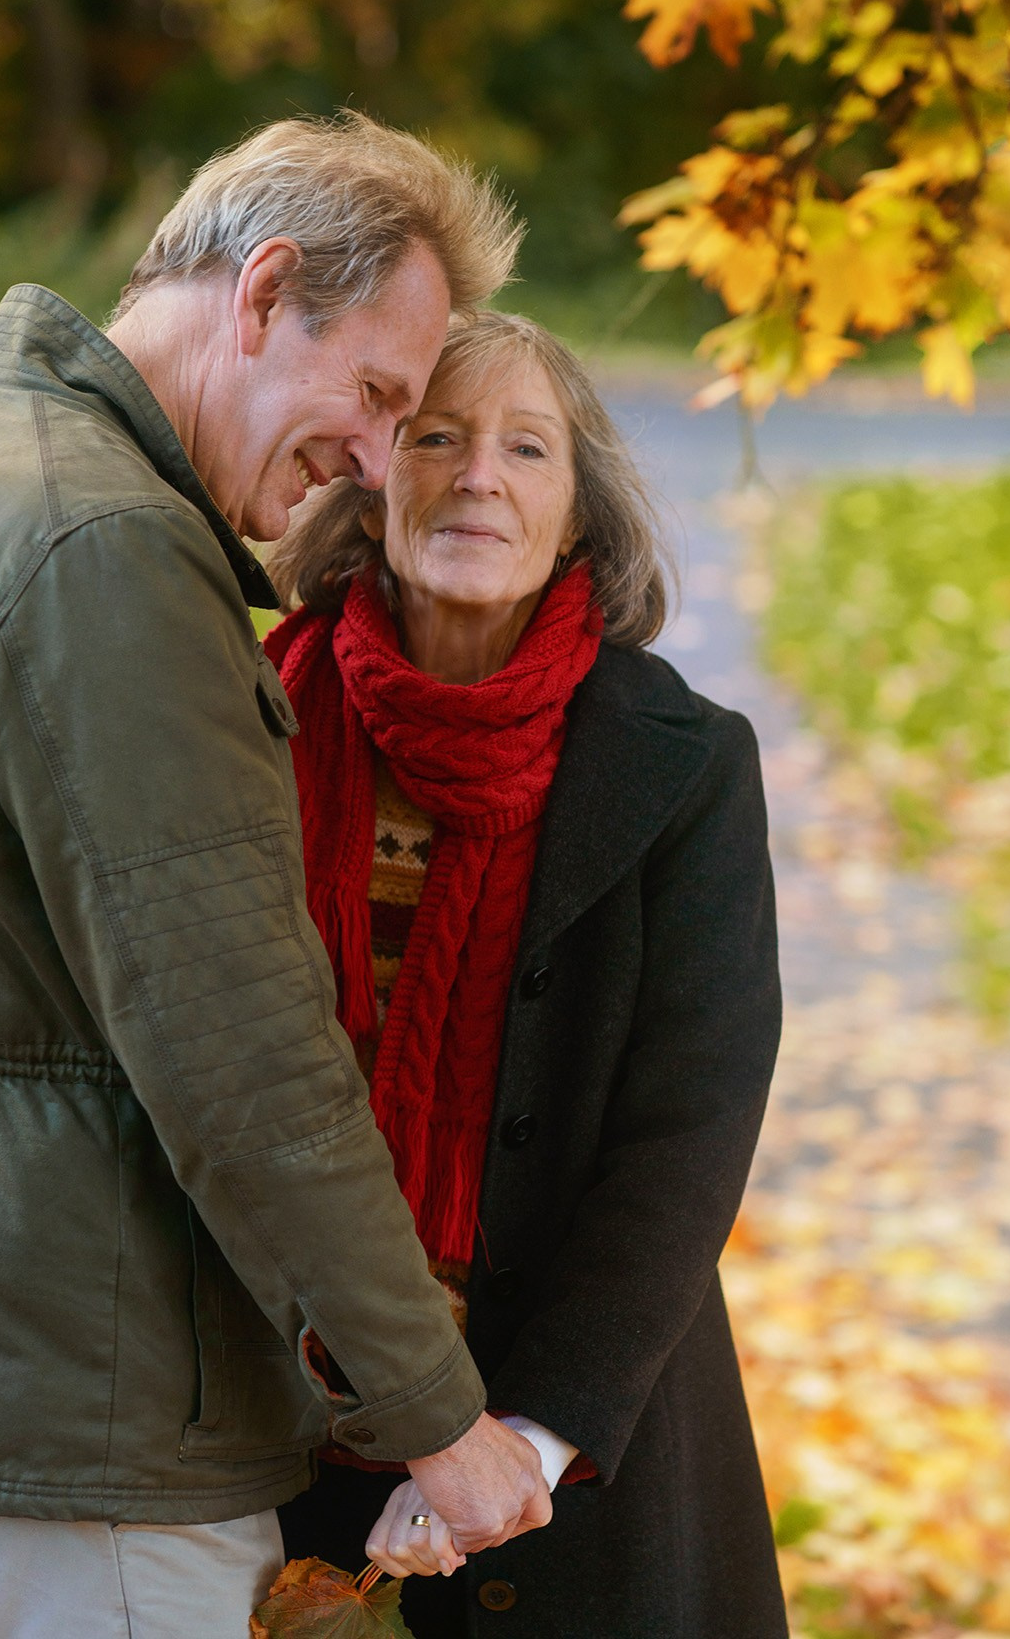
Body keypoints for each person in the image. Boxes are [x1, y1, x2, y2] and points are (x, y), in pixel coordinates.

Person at [0, 116, 554, 1639]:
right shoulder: (100, 551)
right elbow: (236, 1042)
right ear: (261, 291)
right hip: (89, 1424)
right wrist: (437, 1410)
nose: (373, 463)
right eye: (371, 393)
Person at [266, 312, 788, 1638]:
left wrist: (531, 1435)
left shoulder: (682, 762)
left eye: (524, 446)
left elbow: (688, 1132)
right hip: (270, 1432)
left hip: (578, 1455)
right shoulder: (246, 717)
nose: (475, 474)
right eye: (432, 437)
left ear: (574, 517)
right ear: (369, 487)